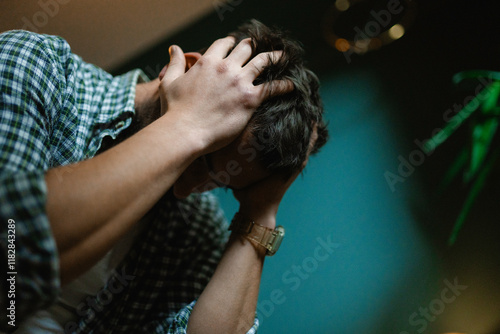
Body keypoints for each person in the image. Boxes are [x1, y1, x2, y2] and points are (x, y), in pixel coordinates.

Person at [0, 19, 328, 333]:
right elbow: (13, 254)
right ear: (184, 71)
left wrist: (260, 212)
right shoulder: (40, 66)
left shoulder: (195, 232)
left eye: (219, 184)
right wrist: (187, 125)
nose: (188, 190)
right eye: (203, 157)